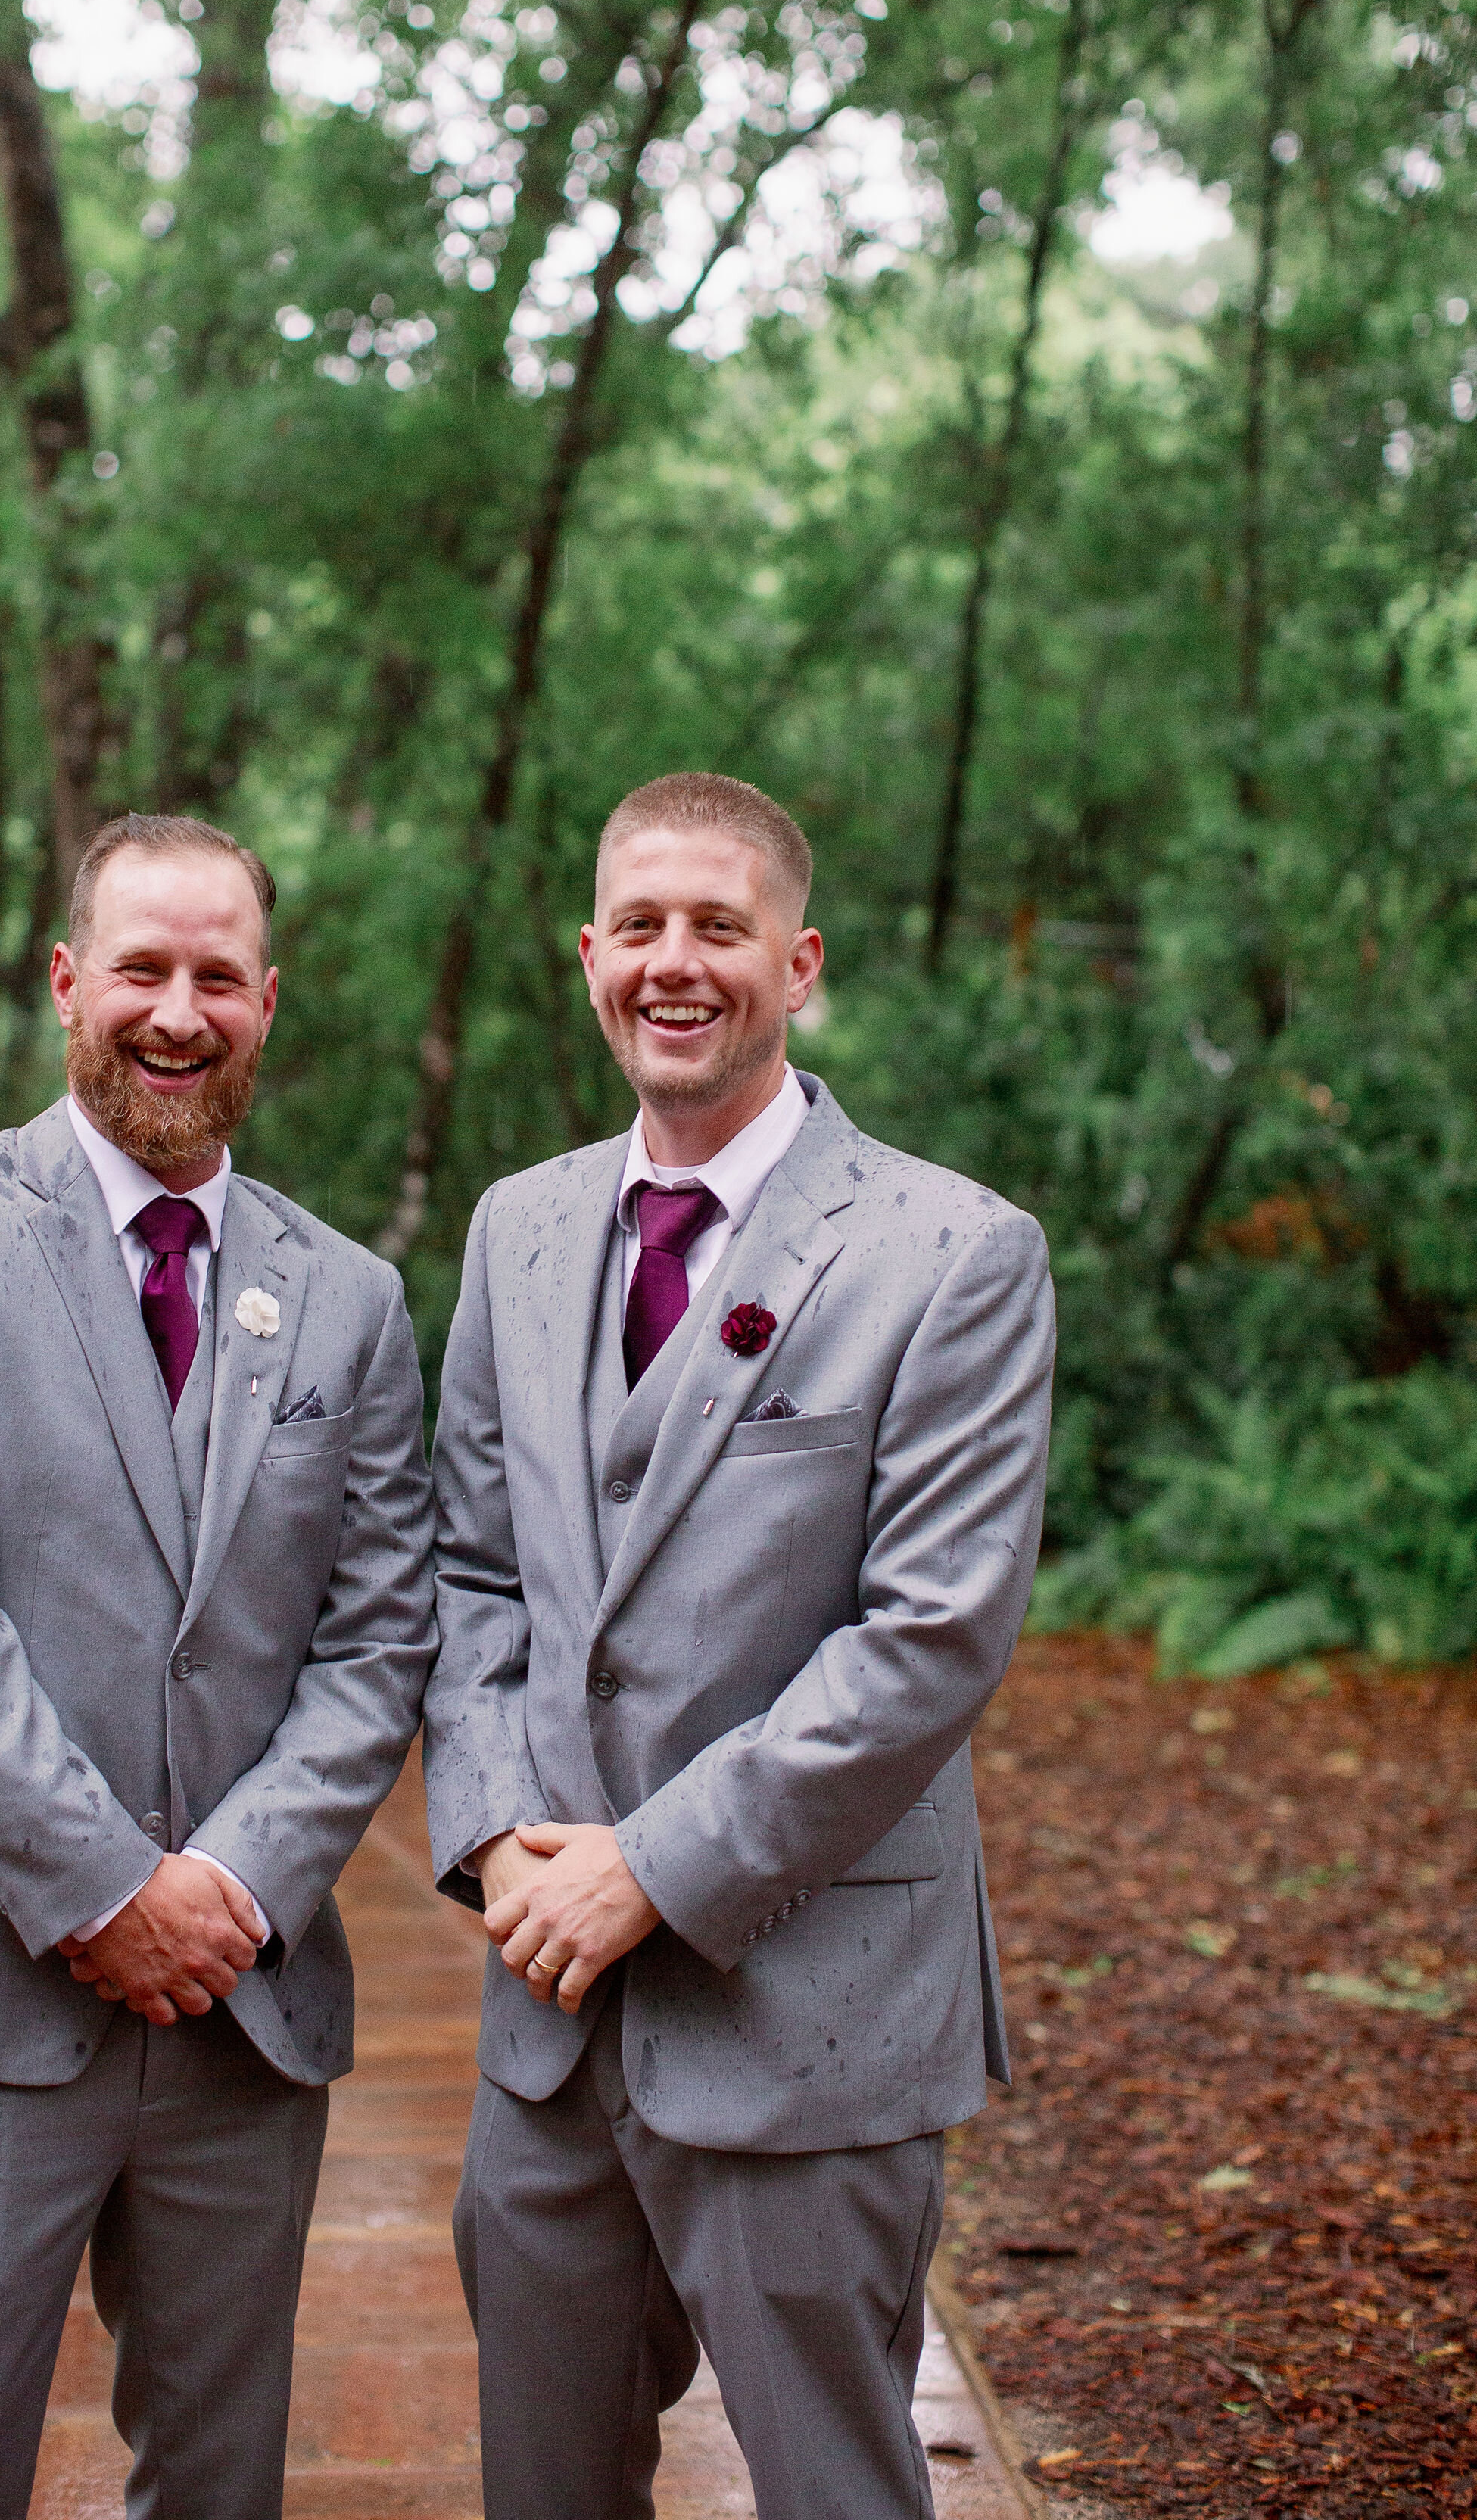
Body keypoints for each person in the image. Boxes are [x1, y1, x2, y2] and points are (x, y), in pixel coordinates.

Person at [423, 771, 1055, 2520]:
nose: (674, 964)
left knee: (836, 2490)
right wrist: (498, 1841)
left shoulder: (955, 1252)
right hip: (548, 2012)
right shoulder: (517, 1230)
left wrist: (657, 1865)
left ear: (801, 959)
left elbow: (929, 1637)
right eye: (640, 927)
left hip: (806, 2006)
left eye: (718, 926)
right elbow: (473, 1575)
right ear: (589, 956)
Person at [0, 811, 435, 2520]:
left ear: (267, 1001)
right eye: (140, 968)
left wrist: (229, 1881)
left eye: (215, 975)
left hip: (243, 2004)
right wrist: (101, 1888)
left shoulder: (352, 1301)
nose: (177, 1010)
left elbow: (380, 1639)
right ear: (70, 981)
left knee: (220, 2484)